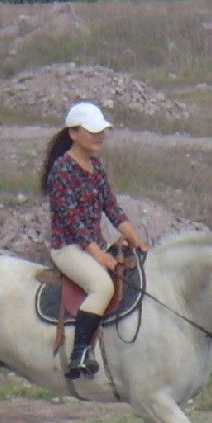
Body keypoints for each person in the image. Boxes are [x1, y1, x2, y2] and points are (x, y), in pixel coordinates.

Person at [41, 102, 148, 379]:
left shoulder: (96, 167)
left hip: (93, 245)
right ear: (74, 133)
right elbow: (71, 219)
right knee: (101, 286)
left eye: (101, 131)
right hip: (69, 248)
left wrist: (135, 240)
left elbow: (111, 208)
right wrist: (98, 255)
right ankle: (78, 354)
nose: (99, 136)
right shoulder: (62, 170)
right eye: (92, 131)